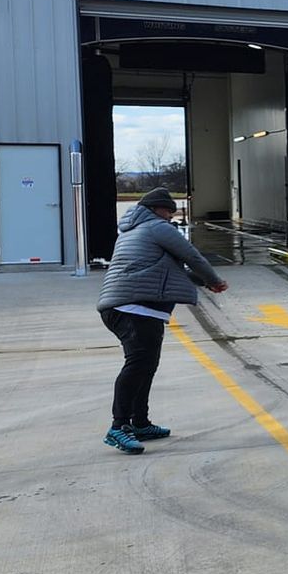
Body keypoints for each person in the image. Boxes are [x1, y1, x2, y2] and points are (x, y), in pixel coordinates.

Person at [96, 188, 228, 454]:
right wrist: (214, 280)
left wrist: (204, 282)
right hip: (134, 307)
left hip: (127, 307)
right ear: (154, 209)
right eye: (168, 210)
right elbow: (192, 256)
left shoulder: (133, 231)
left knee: (146, 365)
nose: (170, 216)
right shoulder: (157, 227)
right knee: (138, 365)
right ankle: (118, 427)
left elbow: (171, 270)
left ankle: (140, 423)